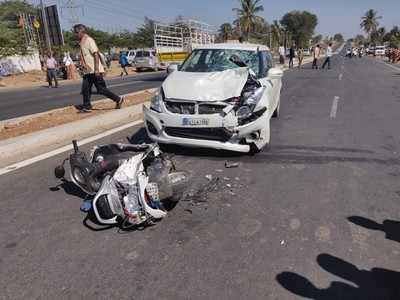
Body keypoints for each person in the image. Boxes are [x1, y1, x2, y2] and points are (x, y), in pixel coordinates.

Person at [73, 24, 124, 113]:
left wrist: (96, 69)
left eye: (77, 32)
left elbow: (96, 54)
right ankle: (87, 106)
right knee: (85, 89)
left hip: (94, 70)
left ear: (82, 31)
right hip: (88, 71)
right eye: (75, 32)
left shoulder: (89, 40)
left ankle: (118, 99)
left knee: (101, 89)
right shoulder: (82, 42)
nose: (75, 34)